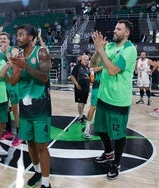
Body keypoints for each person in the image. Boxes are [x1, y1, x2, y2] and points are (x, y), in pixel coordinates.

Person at [92, 20, 137, 180]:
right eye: (115, 27)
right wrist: (99, 50)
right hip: (103, 97)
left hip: (119, 101)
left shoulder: (129, 50)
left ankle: (116, 163)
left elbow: (112, 70)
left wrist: (101, 50)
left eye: (119, 29)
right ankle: (108, 153)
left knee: (117, 135)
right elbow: (92, 64)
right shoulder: (110, 46)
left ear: (127, 33)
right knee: (101, 129)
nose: (114, 30)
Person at [9, 24, 52, 188]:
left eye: (21, 35)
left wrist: (25, 66)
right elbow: (13, 82)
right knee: (30, 144)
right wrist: (16, 68)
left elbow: (44, 78)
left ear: (31, 37)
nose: (17, 38)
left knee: (42, 146)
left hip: (41, 108)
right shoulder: (19, 56)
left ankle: (46, 183)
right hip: (25, 108)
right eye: (17, 35)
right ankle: (37, 172)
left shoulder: (41, 52)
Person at [0, 26, 22, 146]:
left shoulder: (14, 50)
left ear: (9, 41)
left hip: (12, 84)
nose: (3, 40)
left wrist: (6, 52)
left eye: (5, 38)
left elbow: (14, 66)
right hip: (2, 84)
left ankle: (19, 134)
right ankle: (8, 131)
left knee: (15, 110)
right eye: (1, 38)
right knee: (4, 109)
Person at [83, 51, 103, 139]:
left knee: (105, 108)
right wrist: (104, 66)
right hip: (97, 85)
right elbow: (92, 69)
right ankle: (87, 129)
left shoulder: (110, 57)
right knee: (93, 107)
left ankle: (104, 128)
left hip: (107, 86)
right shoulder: (97, 57)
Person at [70, 54, 91, 124]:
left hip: (86, 88)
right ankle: (80, 116)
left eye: (87, 60)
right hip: (79, 88)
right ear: (81, 60)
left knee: (83, 102)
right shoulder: (77, 66)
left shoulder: (88, 68)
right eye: (85, 59)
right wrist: (76, 84)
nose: (86, 61)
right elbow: (72, 76)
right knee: (80, 102)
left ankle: (82, 114)